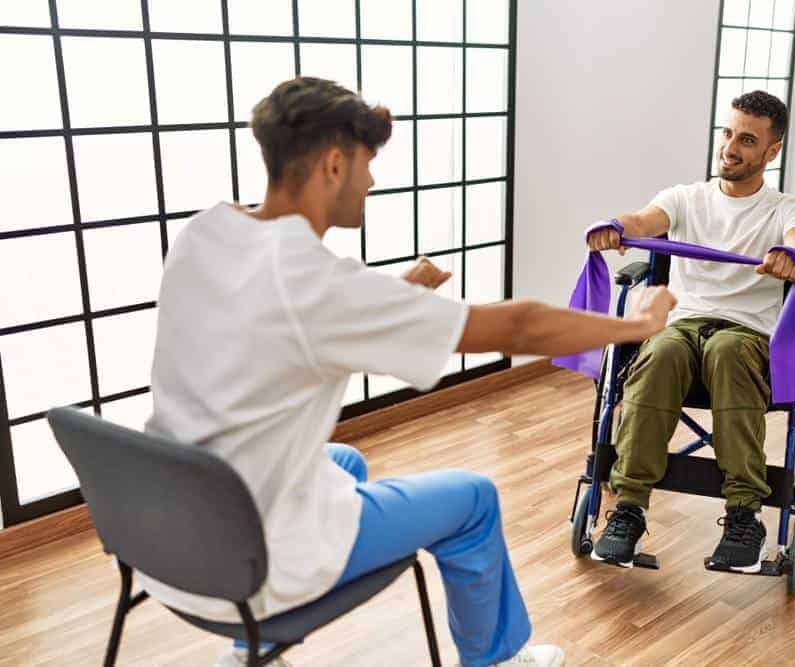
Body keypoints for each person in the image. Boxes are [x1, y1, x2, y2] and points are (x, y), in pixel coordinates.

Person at [139, 76, 676, 667]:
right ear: (335, 164)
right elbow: (519, 327)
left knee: (344, 462)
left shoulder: (207, 231)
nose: (372, 180)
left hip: (165, 527)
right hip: (249, 562)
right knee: (473, 499)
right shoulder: (318, 282)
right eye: (369, 163)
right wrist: (638, 325)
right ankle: (497, 660)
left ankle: (251, 654)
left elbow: (281, 327)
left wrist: (396, 298)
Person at [587, 90, 795, 572]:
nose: (730, 148)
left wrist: (794, 257)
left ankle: (744, 517)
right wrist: (615, 225)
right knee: (660, 353)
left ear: (771, 152)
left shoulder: (787, 209)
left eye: (747, 140)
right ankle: (627, 508)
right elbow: (643, 220)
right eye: (728, 133)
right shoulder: (684, 198)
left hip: (746, 334)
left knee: (730, 354)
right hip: (684, 325)